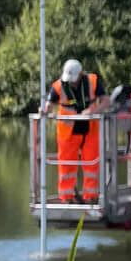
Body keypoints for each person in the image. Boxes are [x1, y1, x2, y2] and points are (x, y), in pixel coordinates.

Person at [44, 58, 105, 203]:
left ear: (81, 73)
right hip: (67, 133)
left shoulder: (93, 81)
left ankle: (91, 197)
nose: (71, 82)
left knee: (92, 164)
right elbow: (49, 105)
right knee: (66, 166)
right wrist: (44, 110)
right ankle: (66, 198)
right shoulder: (58, 86)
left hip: (90, 130)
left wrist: (92, 112)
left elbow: (106, 101)